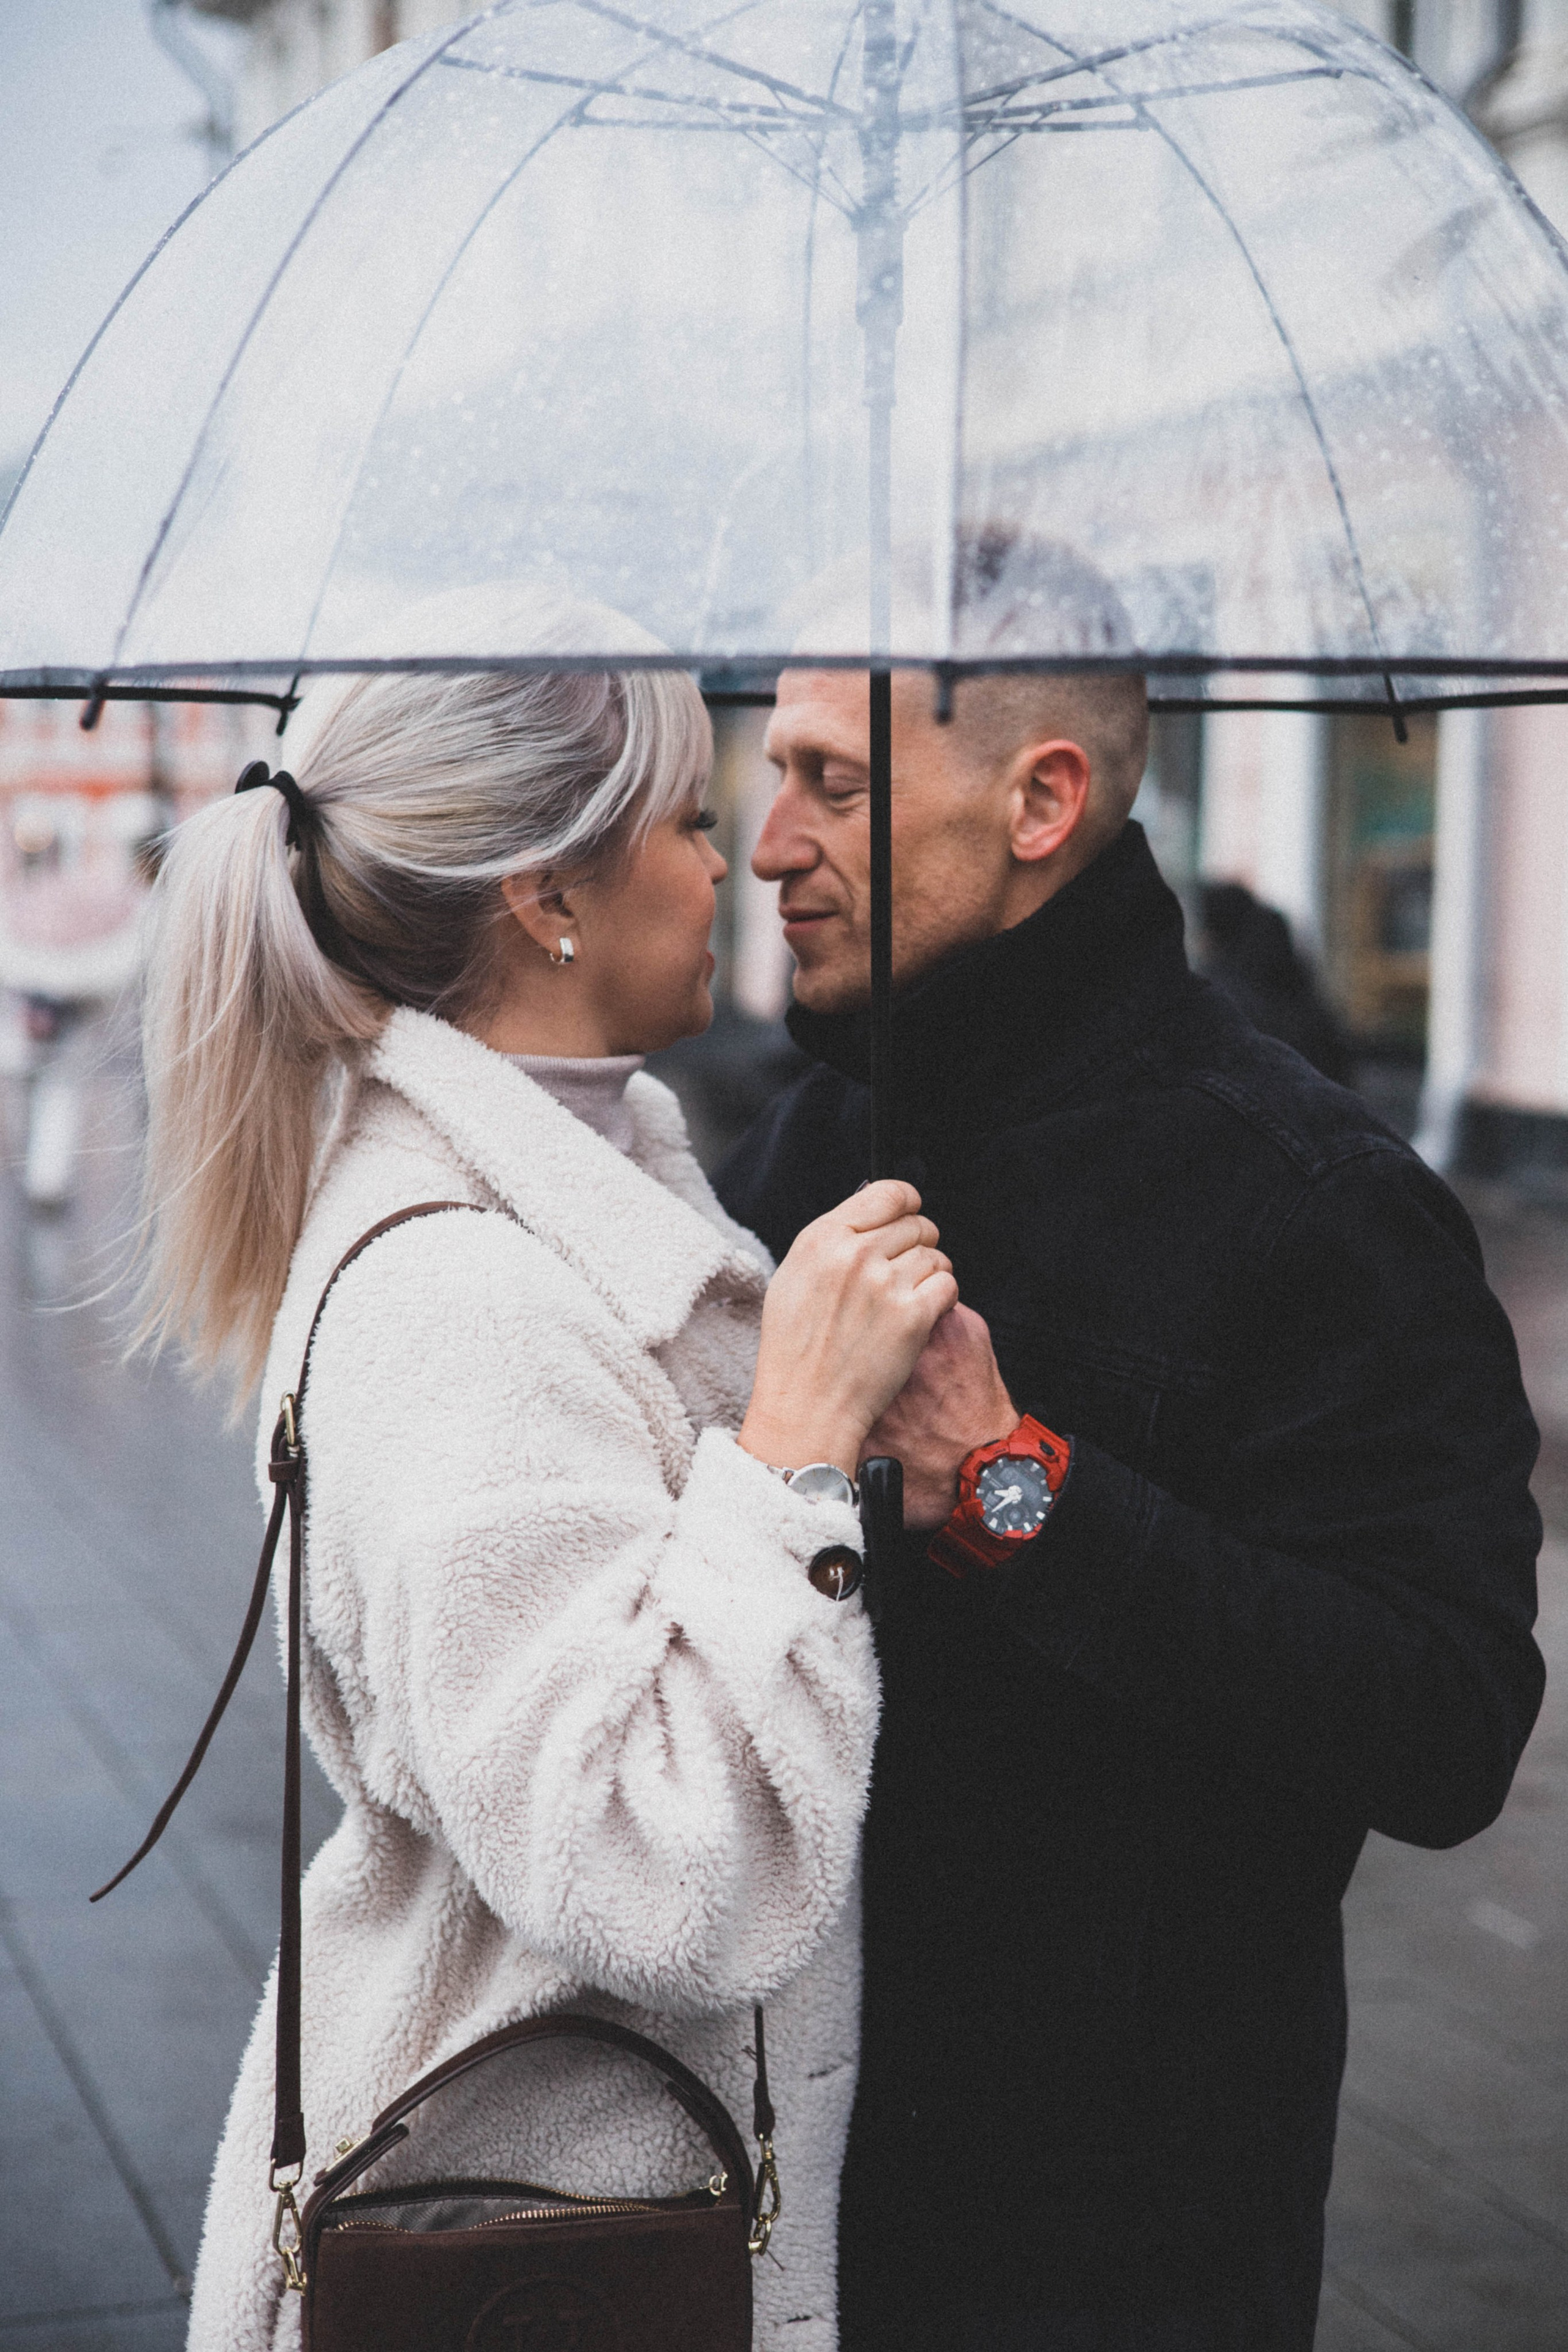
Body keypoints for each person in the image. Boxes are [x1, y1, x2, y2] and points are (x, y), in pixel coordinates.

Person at [716, 546, 1545, 2351]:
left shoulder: (1317, 1206)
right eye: (770, 778)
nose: (771, 846)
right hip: (785, 2175)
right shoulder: (799, 1148)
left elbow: (1449, 1719)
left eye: (832, 784)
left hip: (1118, 2231)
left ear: (1040, 799)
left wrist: (1019, 1488)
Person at [131, 600, 960, 2352]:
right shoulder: (463, 1296)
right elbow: (652, 1877)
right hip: (539, 2237)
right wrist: (794, 1450)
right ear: (548, 894)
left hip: (594, 2190)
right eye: (688, 819)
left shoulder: (612, 1181)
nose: (733, 860)